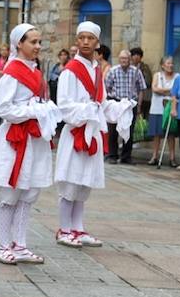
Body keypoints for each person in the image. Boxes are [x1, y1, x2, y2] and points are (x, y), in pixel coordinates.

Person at [53, 23, 135, 246]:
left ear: (97, 42)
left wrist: (119, 108)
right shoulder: (70, 70)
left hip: (92, 132)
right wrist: (87, 110)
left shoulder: (97, 70)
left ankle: (78, 228)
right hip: (76, 132)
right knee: (71, 180)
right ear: (76, 41)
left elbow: (102, 103)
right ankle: (64, 229)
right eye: (82, 37)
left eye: (90, 38)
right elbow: (64, 106)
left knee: (84, 182)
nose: (86, 42)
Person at [0, 23, 60, 265]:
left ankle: (20, 244)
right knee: (10, 194)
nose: (38, 46)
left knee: (29, 194)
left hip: (34, 139)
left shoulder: (35, 71)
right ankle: (3, 245)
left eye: (39, 42)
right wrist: (32, 111)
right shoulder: (11, 72)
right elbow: (4, 109)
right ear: (19, 43)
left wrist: (45, 109)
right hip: (15, 139)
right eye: (33, 42)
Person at [104, 49, 146, 163]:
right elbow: (106, 87)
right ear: (119, 59)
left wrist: (139, 105)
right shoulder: (113, 71)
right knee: (113, 130)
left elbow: (141, 89)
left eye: (126, 58)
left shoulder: (136, 71)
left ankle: (126, 156)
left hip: (130, 103)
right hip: (116, 102)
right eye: (122, 58)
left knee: (129, 130)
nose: (124, 60)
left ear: (130, 59)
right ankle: (112, 155)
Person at [147, 56, 176, 165]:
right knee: (156, 133)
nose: (170, 65)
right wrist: (168, 91)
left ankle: (172, 158)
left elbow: (176, 91)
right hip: (157, 107)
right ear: (163, 65)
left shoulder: (177, 77)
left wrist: (162, 91)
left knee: (171, 133)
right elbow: (154, 89)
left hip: (170, 107)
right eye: (168, 63)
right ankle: (154, 156)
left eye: (172, 63)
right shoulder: (157, 75)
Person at [129, 46, 152, 136]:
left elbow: (148, 81)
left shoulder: (144, 67)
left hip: (145, 97)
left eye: (138, 55)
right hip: (132, 98)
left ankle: (144, 135)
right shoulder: (128, 67)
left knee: (144, 118)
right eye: (134, 55)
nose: (136, 57)